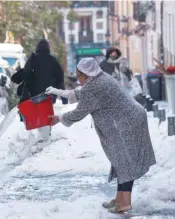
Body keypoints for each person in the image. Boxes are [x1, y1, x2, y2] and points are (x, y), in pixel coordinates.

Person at [45, 58, 156, 213]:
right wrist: (59, 92)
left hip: (128, 123)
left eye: (79, 75)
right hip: (128, 119)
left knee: (125, 163)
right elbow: (82, 93)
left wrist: (59, 119)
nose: (78, 78)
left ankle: (125, 203)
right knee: (120, 161)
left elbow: (79, 112)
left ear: (86, 74)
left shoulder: (94, 87)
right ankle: (119, 199)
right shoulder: (99, 77)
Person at [11, 39, 65, 141]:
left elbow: (26, 72)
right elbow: (60, 78)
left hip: (34, 93)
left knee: (36, 112)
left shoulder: (33, 59)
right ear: (48, 48)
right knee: (47, 113)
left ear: (37, 48)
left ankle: (38, 132)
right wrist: (64, 98)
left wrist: (16, 78)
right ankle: (45, 133)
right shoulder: (53, 61)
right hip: (49, 93)